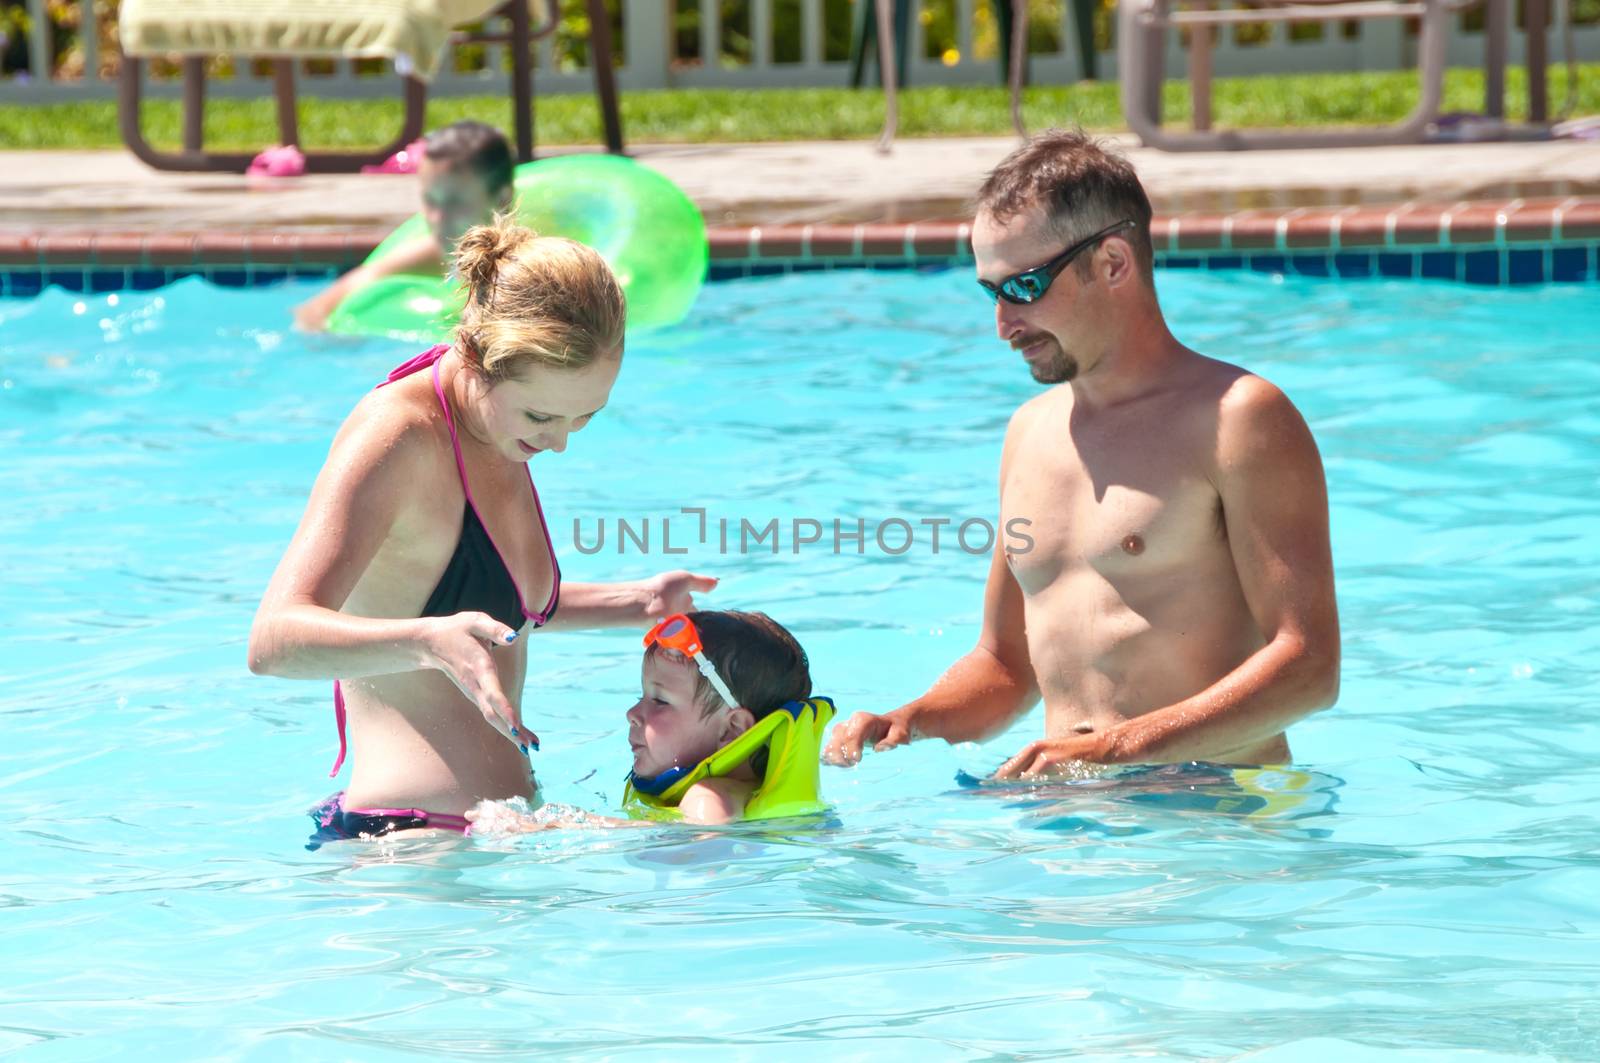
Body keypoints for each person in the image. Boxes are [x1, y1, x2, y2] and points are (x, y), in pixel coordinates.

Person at [823, 129, 1340, 777]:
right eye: (992, 291)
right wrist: (913, 717)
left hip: (1223, 819)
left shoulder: (1237, 418)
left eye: (1025, 286)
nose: (1004, 324)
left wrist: (1117, 746)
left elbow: (1311, 666)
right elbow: (1007, 666)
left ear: (1114, 263)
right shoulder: (1029, 433)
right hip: (1073, 824)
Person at [251, 215, 716, 844]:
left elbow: (483, 611)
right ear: (476, 355)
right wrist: (427, 641)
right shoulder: (401, 438)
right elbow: (274, 640)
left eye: (586, 417)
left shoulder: (500, 428)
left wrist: (635, 602)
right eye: (543, 415)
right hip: (408, 846)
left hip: (494, 834)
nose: (559, 443)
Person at [469, 609, 828, 832]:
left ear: (732, 729)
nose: (633, 713)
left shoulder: (708, 796)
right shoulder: (740, 792)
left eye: (660, 701)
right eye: (641, 696)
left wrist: (547, 826)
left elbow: (700, 848)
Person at [294, 120, 515, 332]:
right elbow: (313, 312)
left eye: (455, 201)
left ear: (502, 200)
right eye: (431, 200)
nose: (438, 218)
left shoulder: (523, 268)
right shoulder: (438, 251)